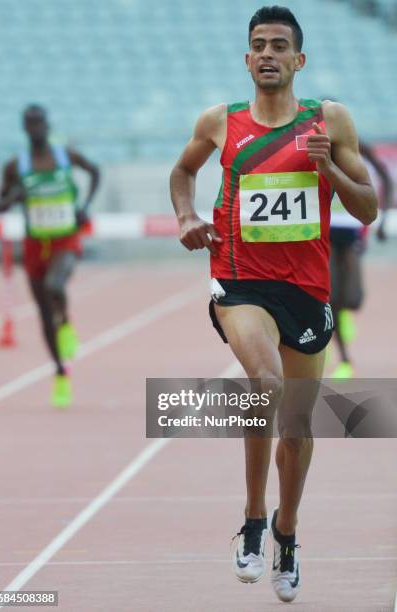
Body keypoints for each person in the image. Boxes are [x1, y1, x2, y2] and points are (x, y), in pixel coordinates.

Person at [170, 5, 377, 604]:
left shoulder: (330, 121)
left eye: (279, 45)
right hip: (240, 281)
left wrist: (329, 170)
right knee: (264, 381)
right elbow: (182, 171)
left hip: (307, 289)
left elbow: (367, 209)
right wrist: (187, 214)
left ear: (298, 60)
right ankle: (255, 519)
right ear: (246, 58)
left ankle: (288, 530)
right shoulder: (220, 121)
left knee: (298, 427)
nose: (267, 53)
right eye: (258, 44)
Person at [0, 105, 100, 408]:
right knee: (43, 313)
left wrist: (85, 207)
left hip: (65, 239)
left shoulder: (64, 156)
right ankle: (60, 372)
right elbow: (0, 205)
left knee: (56, 286)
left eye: (40, 123)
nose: (36, 129)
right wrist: (13, 197)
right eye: (30, 125)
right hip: (34, 246)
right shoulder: (17, 165)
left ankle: (66, 322)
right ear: (24, 128)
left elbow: (95, 171)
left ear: (46, 124)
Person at [329, 139, 393, 377]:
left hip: (353, 228)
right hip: (324, 230)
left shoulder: (357, 146)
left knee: (353, 299)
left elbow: (384, 177)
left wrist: (384, 217)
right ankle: (344, 358)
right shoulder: (310, 145)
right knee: (330, 296)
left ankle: (342, 315)